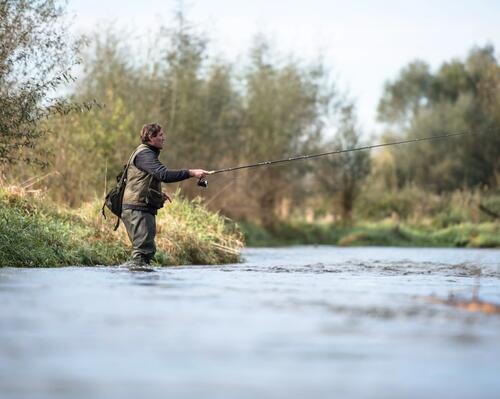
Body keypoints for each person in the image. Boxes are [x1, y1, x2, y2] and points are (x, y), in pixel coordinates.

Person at [121, 122, 210, 268]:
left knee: (144, 252)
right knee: (143, 252)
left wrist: (157, 193)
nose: (164, 138)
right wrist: (191, 173)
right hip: (137, 209)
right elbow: (163, 174)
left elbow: (141, 179)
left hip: (139, 207)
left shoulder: (147, 154)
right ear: (151, 137)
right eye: (161, 135)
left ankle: (139, 281)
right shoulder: (144, 154)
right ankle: (138, 286)